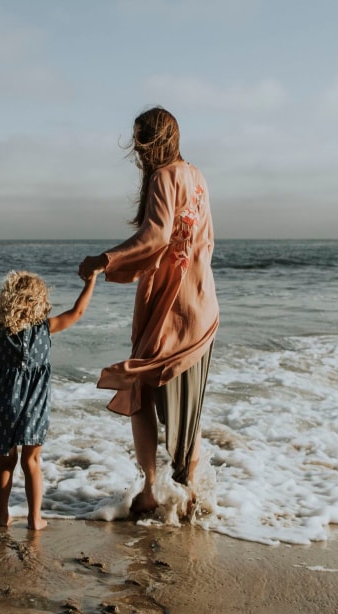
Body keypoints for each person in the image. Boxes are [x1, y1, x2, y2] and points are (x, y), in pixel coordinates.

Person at [78, 107, 219, 516]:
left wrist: (105, 260)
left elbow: (155, 234)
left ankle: (151, 490)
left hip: (168, 306)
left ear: (146, 143)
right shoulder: (197, 176)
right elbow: (205, 242)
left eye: (139, 144)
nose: (138, 156)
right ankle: (190, 494)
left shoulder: (163, 176)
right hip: (202, 303)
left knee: (140, 388)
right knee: (186, 405)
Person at [0, 270, 97, 530]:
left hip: (4, 403)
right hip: (34, 406)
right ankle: (34, 518)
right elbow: (78, 312)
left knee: (6, 461)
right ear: (39, 301)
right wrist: (90, 282)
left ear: (8, 300)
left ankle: (2, 515)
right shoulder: (46, 328)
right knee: (32, 461)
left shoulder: (1, 330)